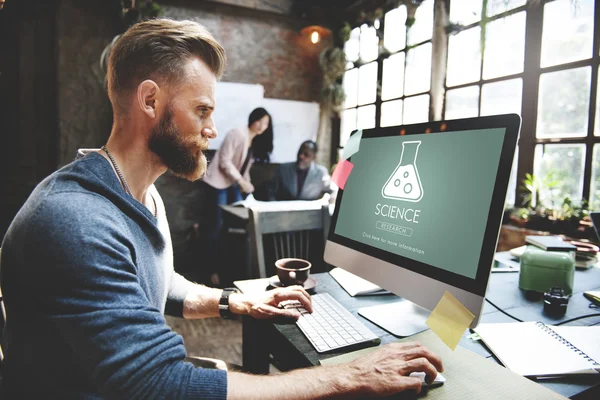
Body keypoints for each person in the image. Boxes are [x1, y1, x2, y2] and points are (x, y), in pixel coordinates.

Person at [0, 18, 443, 399]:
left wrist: (239, 303)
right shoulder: (75, 221)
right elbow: (165, 385)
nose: (212, 129)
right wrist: (351, 377)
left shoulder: (140, 194)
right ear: (150, 101)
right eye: (202, 110)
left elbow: (159, 283)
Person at [202, 107, 272, 284]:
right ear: (253, 119)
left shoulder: (252, 140)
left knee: (235, 226)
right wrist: (241, 182)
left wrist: (247, 184)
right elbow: (225, 161)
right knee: (215, 227)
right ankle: (211, 271)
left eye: (266, 123)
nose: (263, 126)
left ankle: (230, 269)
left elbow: (244, 167)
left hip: (232, 184)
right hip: (218, 183)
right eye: (261, 121)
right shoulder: (237, 133)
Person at [270, 140, 334, 201]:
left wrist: (331, 200)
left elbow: (333, 190)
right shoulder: (283, 169)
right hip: (285, 209)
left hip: (310, 210)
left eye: (306, 154)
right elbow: (271, 191)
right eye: (300, 152)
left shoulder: (321, 172)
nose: (301, 156)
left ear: (314, 157)